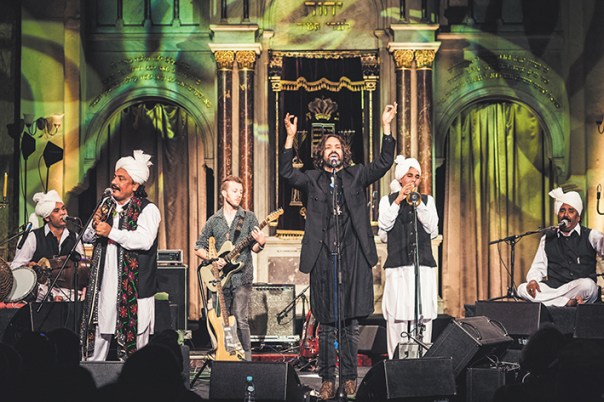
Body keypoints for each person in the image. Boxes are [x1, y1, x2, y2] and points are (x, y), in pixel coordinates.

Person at [281, 104, 396, 400]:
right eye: (328, 147)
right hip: (323, 258)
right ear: (321, 154)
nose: (333, 150)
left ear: (344, 153)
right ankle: (327, 380)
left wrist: (386, 127)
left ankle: (349, 378)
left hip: (353, 257)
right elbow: (286, 172)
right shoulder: (312, 179)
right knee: (328, 324)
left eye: (337, 146)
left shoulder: (357, 175)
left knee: (350, 323)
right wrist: (290, 137)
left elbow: (384, 162)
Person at [80, 150, 161, 361]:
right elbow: (87, 237)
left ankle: (135, 378)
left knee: (138, 349)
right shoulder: (106, 206)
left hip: (135, 289)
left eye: (121, 178)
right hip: (105, 284)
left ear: (135, 185)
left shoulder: (148, 210)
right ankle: (92, 375)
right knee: (100, 332)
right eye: (115, 176)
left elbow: (144, 241)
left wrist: (111, 232)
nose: (114, 182)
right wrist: (95, 224)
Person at [194, 175, 266, 361]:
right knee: (221, 320)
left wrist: (261, 242)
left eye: (241, 192)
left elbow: (254, 248)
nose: (239, 195)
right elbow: (198, 247)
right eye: (235, 191)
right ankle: (224, 357)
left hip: (242, 276)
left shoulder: (249, 217)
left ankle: (246, 359)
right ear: (224, 193)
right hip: (219, 279)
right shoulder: (214, 220)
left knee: (240, 318)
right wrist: (213, 259)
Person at [377, 155, 439, 359]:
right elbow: (384, 226)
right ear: (401, 178)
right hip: (398, 267)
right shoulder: (387, 201)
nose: (414, 180)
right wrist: (398, 200)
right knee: (398, 317)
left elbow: (432, 228)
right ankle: (397, 363)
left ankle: (422, 361)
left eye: (417, 176)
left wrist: (418, 204)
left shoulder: (427, 201)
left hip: (423, 267)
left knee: (422, 316)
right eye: (410, 175)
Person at [517, 187, 604, 306]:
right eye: (562, 210)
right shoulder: (548, 238)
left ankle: (555, 301)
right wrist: (533, 281)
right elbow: (538, 267)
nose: (565, 215)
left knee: (588, 285)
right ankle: (567, 302)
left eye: (571, 211)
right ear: (558, 214)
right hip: (556, 288)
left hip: (579, 288)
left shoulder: (592, 235)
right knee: (522, 289)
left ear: (578, 217)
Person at [10, 190, 85, 302]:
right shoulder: (33, 237)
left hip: (69, 295)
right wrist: (29, 268)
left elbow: (82, 266)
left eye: (63, 208)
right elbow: (16, 266)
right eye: (56, 210)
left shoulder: (74, 237)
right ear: (47, 218)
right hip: (42, 295)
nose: (63, 213)